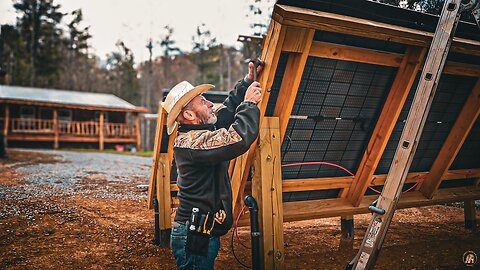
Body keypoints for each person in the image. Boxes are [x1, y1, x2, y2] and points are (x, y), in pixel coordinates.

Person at [163, 62, 263, 270]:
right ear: (189, 115)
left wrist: (246, 82)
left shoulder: (200, 133)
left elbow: (225, 114)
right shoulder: (192, 143)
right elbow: (238, 138)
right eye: (203, 101)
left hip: (201, 233)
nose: (210, 104)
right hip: (194, 237)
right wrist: (250, 105)